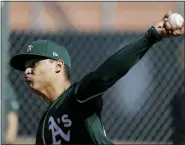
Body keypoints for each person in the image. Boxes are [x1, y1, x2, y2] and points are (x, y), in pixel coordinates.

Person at [10, 12, 184, 145]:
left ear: (58, 66)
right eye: (25, 66)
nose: (27, 70)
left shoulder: (76, 97)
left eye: (34, 63)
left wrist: (151, 36)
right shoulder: (43, 125)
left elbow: (106, 73)